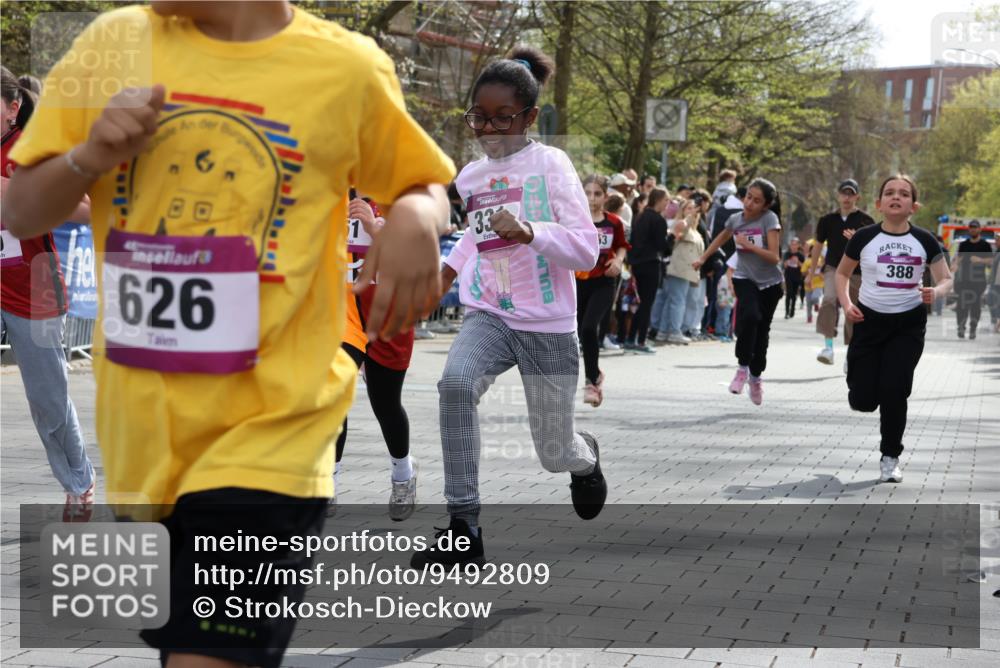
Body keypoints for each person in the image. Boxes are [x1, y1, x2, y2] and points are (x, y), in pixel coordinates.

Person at [3, 4, 456, 667]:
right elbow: (20, 207)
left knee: (206, 656)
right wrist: (89, 154)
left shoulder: (346, 68)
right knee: (186, 648)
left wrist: (417, 215)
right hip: (142, 437)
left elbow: (422, 179)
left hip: (278, 426)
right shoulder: (113, 42)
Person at [412, 47, 606, 570]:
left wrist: (531, 232)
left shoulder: (552, 164)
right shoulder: (472, 176)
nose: (489, 128)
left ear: (530, 118)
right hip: (489, 314)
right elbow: (476, 238)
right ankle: (463, 527)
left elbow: (586, 250)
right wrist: (447, 271)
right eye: (479, 116)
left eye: (503, 118)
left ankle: (583, 459)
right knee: (454, 385)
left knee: (553, 453)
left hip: (547, 324)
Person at [1, 66, 96, 522]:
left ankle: (79, 480)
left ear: (12, 108)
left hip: (32, 287)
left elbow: (85, 209)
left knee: (49, 399)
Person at [838, 175, 952, 483]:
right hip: (869, 322)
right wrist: (848, 305)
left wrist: (936, 293)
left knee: (894, 391)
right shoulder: (863, 237)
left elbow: (946, 278)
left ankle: (890, 456)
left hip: (907, 324)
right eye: (889, 193)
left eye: (903, 194)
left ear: (913, 206)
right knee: (863, 401)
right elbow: (842, 274)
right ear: (878, 203)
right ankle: (855, 366)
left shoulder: (926, 240)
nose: (896, 197)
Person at [336, 194, 419, 521]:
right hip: (342, 313)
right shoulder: (332, 191)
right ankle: (326, 484)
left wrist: (374, 227)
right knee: (333, 396)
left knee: (385, 404)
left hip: (387, 315)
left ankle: (403, 473)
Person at [694, 178, 784, 406]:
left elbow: (774, 257)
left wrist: (749, 245)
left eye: (756, 200)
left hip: (770, 283)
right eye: (748, 197)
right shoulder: (736, 219)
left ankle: (756, 377)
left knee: (762, 331)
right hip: (744, 277)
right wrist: (703, 257)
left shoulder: (769, 219)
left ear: (765, 205)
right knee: (749, 317)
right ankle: (742, 368)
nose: (749, 203)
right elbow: (721, 238)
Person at [576, 174, 629, 406]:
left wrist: (618, 261)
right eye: (587, 193)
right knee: (578, 332)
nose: (592, 198)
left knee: (589, 328)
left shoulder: (614, 222)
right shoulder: (575, 220)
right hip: (577, 280)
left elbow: (622, 247)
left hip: (603, 281)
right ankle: (596, 373)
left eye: (597, 194)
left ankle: (590, 382)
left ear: (606, 197)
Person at [811, 179, 875, 366]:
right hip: (833, 268)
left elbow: (873, 250)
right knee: (829, 300)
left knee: (852, 311)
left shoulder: (866, 221)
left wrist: (857, 239)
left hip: (857, 272)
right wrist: (812, 271)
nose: (847, 197)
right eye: (844, 193)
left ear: (857, 197)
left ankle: (850, 353)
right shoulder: (827, 220)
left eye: (851, 194)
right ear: (838, 196)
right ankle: (828, 347)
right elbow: (817, 246)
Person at [624, 187, 671, 353]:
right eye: (666, 200)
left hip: (637, 264)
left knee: (638, 302)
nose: (668, 204)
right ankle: (641, 340)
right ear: (658, 200)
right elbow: (662, 246)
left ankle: (631, 339)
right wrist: (672, 237)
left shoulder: (639, 217)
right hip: (651, 264)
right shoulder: (658, 220)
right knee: (646, 303)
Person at [951, 220, 992, 339]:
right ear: (969, 229)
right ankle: (961, 327)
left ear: (979, 229)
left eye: (975, 227)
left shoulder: (985, 245)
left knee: (975, 306)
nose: (973, 229)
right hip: (962, 280)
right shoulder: (964, 244)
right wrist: (954, 265)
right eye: (971, 228)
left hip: (979, 281)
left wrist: (980, 260)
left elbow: (991, 261)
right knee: (961, 305)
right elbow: (958, 258)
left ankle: (973, 328)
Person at [783, 237, 806, 319]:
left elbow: (804, 267)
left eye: (795, 244)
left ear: (798, 246)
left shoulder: (800, 255)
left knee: (794, 294)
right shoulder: (787, 254)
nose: (793, 246)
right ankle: (786, 312)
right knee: (789, 293)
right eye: (792, 244)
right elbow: (784, 265)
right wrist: (789, 261)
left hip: (797, 277)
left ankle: (792, 310)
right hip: (788, 276)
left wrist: (798, 262)